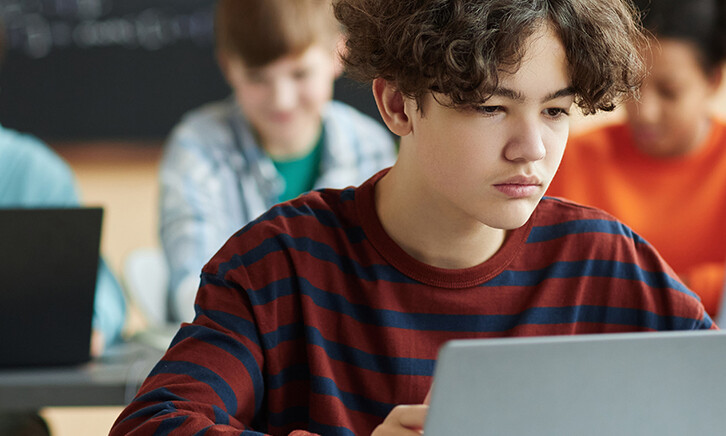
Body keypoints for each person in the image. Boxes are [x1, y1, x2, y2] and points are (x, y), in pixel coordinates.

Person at [111, 0, 717, 435]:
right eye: (489, 107)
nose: (531, 147)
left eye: (556, 111)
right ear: (399, 105)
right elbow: (153, 423)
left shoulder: (606, 262)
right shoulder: (279, 262)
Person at [159, 0, 397, 323]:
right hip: (245, 355)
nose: (281, 99)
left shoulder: (371, 147)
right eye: (258, 78)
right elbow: (196, 294)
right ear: (229, 67)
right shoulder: (197, 150)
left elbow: (387, 282)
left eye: (300, 73)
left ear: (337, 54)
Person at [547, 0, 726, 318]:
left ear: (713, 80)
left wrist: (638, 293)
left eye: (669, 92)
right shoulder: (571, 157)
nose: (646, 113)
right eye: (632, 86)